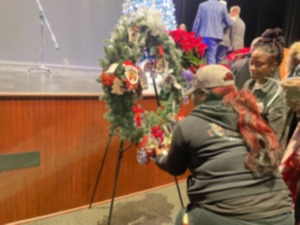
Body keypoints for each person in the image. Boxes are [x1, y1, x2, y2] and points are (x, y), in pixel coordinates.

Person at [154, 64, 293, 225]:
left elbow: (175, 168)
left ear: (202, 93)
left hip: (231, 216)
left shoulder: (189, 125)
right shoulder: (253, 120)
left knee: (183, 218)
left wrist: (158, 156)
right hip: (282, 215)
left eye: (193, 95)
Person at [242, 27, 288, 147]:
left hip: (263, 156)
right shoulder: (249, 84)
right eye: (251, 63)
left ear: (273, 65)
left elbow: (273, 137)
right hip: (244, 146)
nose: (252, 68)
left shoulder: (279, 94)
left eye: (258, 64)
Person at [192, 0, 232, 64]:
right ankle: (210, 73)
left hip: (202, 36)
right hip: (215, 36)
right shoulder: (222, 7)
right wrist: (220, 26)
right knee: (211, 57)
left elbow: (197, 22)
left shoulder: (202, 5)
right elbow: (229, 23)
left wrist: (193, 35)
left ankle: (198, 72)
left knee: (199, 57)